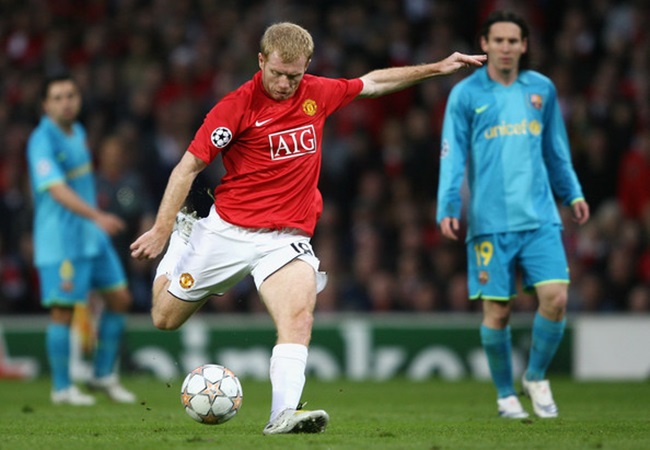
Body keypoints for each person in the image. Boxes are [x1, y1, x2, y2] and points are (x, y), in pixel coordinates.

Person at [130, 22, 485, 434]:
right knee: (165, 318)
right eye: (277, 73)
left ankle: (282, 414)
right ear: (261, 61)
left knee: (299, 318)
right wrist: (162, 230)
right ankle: (183, 239)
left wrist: (437, 67)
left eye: (294, 76)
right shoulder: (236, 107)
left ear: (307, 67)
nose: (284, 84)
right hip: (227, 231)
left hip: (286, 239)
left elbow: (372, 83)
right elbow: (187, 167)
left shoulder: (317, 92)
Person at [436, 10, 590, 419]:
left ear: (524, 46)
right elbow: (452, 154)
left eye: (512, 41)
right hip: (489, 222)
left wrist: (572, 192)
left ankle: (535, 376)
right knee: (498, 311)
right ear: (484, 45)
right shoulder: (466, 94)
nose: (505, 47)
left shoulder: (541, 89)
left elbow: (556, 149)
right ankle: (506, 395)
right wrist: (448, 204)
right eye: (498, 40)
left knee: (556, 298)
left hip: (540, 218)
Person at [26, 74, 136, 405]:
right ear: (45, 105)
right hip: (61, 240)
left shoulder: (78, 132)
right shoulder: (41, 140)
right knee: (63, 312)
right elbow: (56, 190)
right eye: (58, 97)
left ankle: (102, 374)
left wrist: (94, 222)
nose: (66, 102)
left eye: (70, 95)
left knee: (120, 300)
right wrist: (97, 215)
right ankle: (62, 388)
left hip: (91, 237)